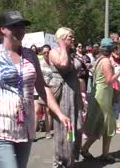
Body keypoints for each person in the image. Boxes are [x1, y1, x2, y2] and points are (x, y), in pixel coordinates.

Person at [0, 10, 70, 168]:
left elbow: (42, 87)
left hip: (24, 127)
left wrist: (59, 113)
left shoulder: (30, 55)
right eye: (14, 27)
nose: (19, 31)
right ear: (2, 30)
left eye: (22, 27)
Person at [81, 38, 120, 163]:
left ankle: (86, 149)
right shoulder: (105, 61)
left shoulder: (100, 59)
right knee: (106, 125)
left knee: (101, 125)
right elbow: (109, 80)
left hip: (100, 94)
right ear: (111, 49)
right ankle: (102, 154)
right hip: (103, 95)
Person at [49, 27, 84, 168]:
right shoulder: (54, 52)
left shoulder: (71, 54)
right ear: (62, 38)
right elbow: (63, 65)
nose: (73, 39)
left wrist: (81, 97)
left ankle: (71, 159)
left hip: (74, 93)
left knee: (77, 126)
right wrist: (63, 46)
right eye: (70, 37)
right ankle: (61, 162)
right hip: (63, 94)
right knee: (64, 129)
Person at [38, 44, 54, 139]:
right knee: (41, 110)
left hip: (53, 88)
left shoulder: (53, 62)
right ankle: (46, 131)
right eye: (44, 52)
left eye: (48, 52)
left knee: (50, 110)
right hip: (42, 88)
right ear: (42, 53)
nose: (46, 54)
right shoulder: (39, 62)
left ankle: (50, 130)